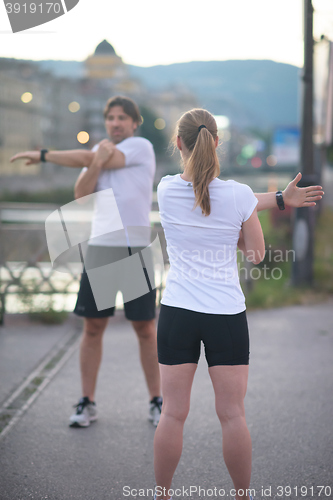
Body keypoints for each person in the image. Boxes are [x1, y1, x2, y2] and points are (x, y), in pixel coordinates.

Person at [153, 108, 324, 500]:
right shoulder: (240, 196)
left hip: (177, 312)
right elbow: (257, 255)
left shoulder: (164, 189)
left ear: (178, 143)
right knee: (232, 415)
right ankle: (241, 497)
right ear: (218, 142)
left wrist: (276, 199)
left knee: (173, 414)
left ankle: (162, 495)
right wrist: (262, 211)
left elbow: (209, 198)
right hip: (225, 315)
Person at [11, 96, 163, 428]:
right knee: (93, 328)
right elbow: (82, 193)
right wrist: (96, 162)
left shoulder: (141, 147)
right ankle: (86, 402)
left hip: (136, 249)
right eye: (111, 117)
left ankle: (157, 401)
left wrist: (43, 155)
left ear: (134, 123)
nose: (116, 123)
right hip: (100, 249)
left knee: (145, 329)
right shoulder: (101, 151)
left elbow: (87, 157)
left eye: (123, 117)